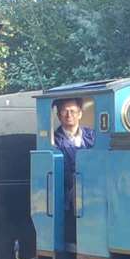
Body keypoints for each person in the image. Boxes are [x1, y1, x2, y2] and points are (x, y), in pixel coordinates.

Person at [53, 99, 93, 243]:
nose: (69, 115)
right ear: (59, 115)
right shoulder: (53, 140)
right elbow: (60, 170)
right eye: (65, 111)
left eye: (73, 111)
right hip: (68, 193)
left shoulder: (92, 136)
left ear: (80, 114)